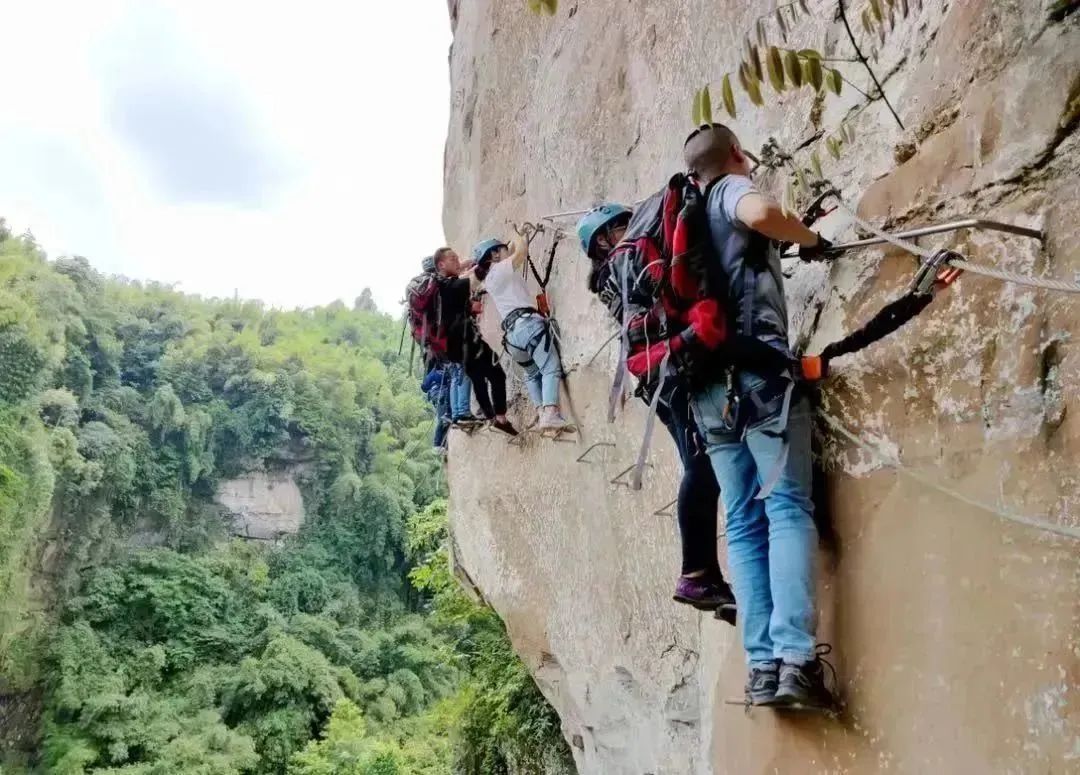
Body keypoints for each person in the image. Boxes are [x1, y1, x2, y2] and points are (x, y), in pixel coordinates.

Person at [681, 123, 835, 710]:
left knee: (743, 523)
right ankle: (797, 660)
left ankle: (762, 668)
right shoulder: (727, 191)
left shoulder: (684, 216)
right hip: (759, 376)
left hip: (703, 391)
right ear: (736, 156)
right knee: (787, 506)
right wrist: (811, 238)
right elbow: (762, 210)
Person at [576, 204, 736, 624]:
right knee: (704, 464)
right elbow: (668, 284)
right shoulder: (624, 263)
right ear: (604, 240)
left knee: (699, 464)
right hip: (670, 374)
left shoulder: (613, 271)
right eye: (620, 226)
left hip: (657, 374)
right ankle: (697, 573)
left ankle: (709, 579)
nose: (629, 229)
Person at [472, 234, 570, 431]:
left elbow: (510, 253)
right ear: (494, 255)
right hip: (528, 326)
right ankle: (550, 413)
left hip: (513, 337)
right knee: (550, 367)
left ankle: (541, 412)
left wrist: (506, 246)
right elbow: (521, 253)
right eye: (500, 249)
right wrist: (518, 235)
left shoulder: (490, 278)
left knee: (532, 374)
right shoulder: (500, 269)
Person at [432, 247, 517, 436]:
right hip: (467, 342)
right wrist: (487, 260)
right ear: (441, 264)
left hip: (455, 348)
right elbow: (472, 279)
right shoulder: (447, 286)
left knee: (478, 377)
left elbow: (463, 277)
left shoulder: (440, 287)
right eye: (452, 258)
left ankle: (490, 416)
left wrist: (468, 264)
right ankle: (500, 418)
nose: (457, 261)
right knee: (496, 373)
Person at [420, 255, 477, 424]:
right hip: (450, 337)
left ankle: (456, 414)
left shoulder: (426, 289)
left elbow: (458, 270)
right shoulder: (439, 283)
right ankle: (463, 412)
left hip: (437, 344)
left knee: (454, 373)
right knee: (463, 371)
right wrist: (477, 265)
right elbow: (463, 279)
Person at [421, 358, 451, 451]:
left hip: (438, 397)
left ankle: (443, 444)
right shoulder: (441, 373)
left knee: (444, 420)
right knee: (443, 419)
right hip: (441, 397)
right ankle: (437, 443)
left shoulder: (433, 373)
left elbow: (424, 387)